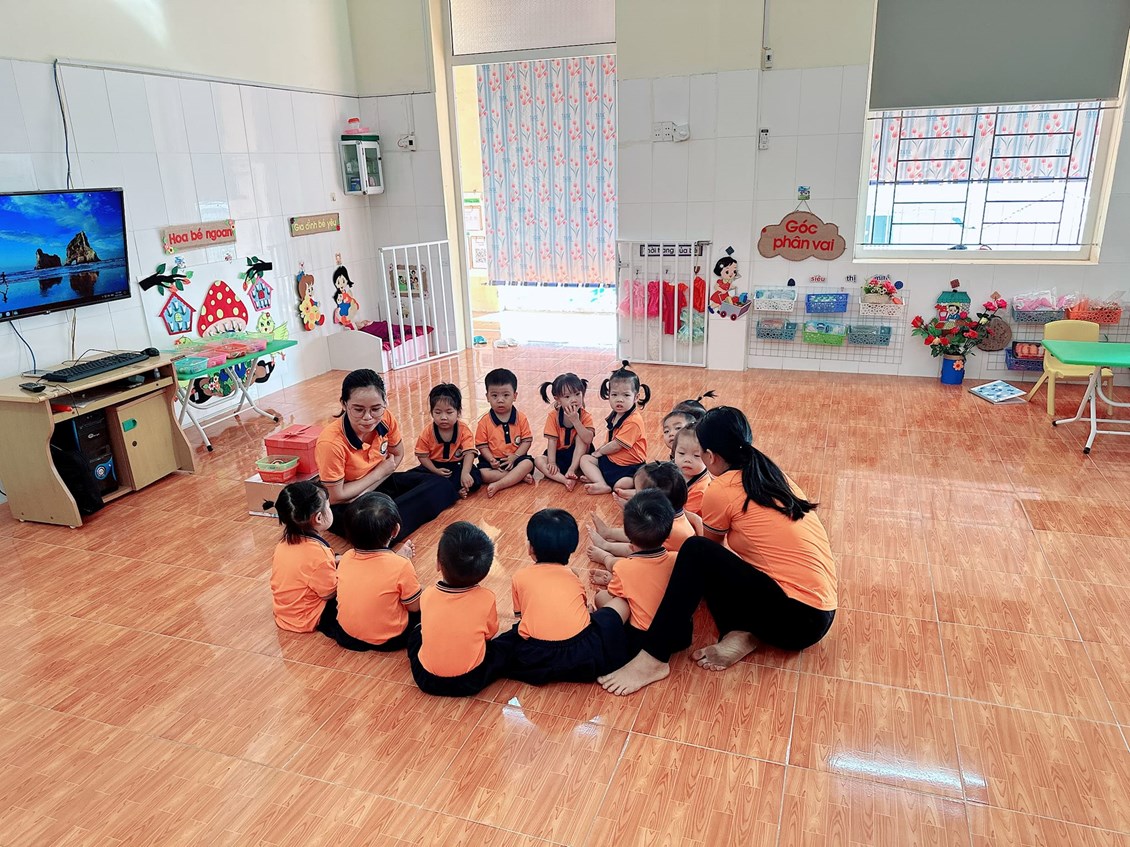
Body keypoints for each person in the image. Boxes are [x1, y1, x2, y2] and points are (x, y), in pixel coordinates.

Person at [599, 406, 838, 696]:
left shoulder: (721, 489)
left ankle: (653, 658)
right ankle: (744, 632)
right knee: (704, 555)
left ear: (710, 456)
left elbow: (704, 557)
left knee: (696, 550)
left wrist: (643, 570)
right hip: (819, 609)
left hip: (797, 619)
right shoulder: (769, 473)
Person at [315, 369, 457, 545]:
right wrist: (379, 472)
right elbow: (336, 496)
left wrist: (373, 483)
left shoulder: (385, 418)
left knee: (441, 484)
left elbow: (398, 454)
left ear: (385, 402)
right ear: (344, 404)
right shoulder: (331, 442)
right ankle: (388, 525)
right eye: (358, 410)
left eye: (376, 409)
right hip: (347, 504)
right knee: (373, 527)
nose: (368, 417)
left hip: (376, 484)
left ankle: (389, 523)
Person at [498, 509, 627, 685]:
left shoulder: (519, 577)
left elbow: (521, 616)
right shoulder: (572, 576)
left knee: (506, 642)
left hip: (536, 655)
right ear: (572, 548)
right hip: (581, 655)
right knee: (619, 605)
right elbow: (580, 609)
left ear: (530, 548)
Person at [408, 522, 512, 697]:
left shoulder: (427, 595)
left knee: (415, 636)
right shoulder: (486, 598)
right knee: (502, 648)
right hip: (471, 681)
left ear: (438, 564)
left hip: (426, 679)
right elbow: (490, 634)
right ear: (484, 572)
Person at [593, 490, 686, 659]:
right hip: (680, 636)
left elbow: (616, 595)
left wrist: (610, 582)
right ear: (668, 533)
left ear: (629, 540)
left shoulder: (623, 567)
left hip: (644, 641)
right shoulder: (678, 559)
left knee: (602, 597)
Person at [330, 493, 422, 651]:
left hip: (347, 635)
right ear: (395, 530)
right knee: (427, 604)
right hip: (390, 640)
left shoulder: (346, 557)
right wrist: (402, 560)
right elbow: (414, 607)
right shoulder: (401, 566)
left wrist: (397, 558)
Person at [588, 461, 699, 583]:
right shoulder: (674, 515)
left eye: (636, 492)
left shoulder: (668, 528)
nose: (634, 496)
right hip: (664, 559)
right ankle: (607, 533)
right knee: (639, 534)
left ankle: (606, 552)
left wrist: (608, 554)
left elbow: (638, 549)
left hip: (663, 572)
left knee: (626, 562)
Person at [267, 480, 339, 636]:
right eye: (328, 506)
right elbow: (329, 593)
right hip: (307, 617)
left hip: (286, 613)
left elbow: (307, 568)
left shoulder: (283, 544)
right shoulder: (318, 555)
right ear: (318, 518)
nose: (330, 509)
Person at [577, 361, 651, 495]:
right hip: (612, 460)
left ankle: (603, 479)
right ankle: (601, 483)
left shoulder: (634, 421)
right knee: (585, 459)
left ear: (636, 397)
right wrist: (601, 452)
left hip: (630, 467)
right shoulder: (615, 414)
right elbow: (610, 440)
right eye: (614, 395)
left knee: (620, 485)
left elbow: (616, 445)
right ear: (608, 395)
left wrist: (600, 452)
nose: (619, 400)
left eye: (626, 395)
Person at [412, 383, 481, 498]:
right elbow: (422, 456)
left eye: (449, 412)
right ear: (431, 412)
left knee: (475, 477)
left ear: (458, 412)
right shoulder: (428, 432)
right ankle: (455, 491)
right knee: (421, 479)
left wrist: (465, 473)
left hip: (458, 465)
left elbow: (469, 453)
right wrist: (435, 470)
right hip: (434, 466)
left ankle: (453, 491)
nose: (443, 417)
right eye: (438, 412)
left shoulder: (463, 430)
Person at [475, 368, 535, 497]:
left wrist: (515, 456)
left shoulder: (521, 418)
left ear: (515, 396)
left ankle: (500, 484)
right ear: (487, 397)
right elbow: (482, 446)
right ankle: (517, 477)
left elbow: (526, 441)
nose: (500, 400)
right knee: (482, 474)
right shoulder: (484, 422)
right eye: (494, 396)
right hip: (493, 462)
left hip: (516, 458)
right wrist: (491, 459)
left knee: (528, 464)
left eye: (506, 395)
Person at [532, 373, 595, 491]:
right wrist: (552, 462)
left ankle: (572, 470)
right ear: (558, 399)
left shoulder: (585, 416)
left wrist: (576, 421)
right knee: (538, 460)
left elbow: (588, 440)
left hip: (580, 456)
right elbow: (552, 442)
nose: (574, 400)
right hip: (559, 454)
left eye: (577, 394)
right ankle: (565, 480)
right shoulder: (553, 416)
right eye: (567, 397)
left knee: (581, 437)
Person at [673, 425, 710, 515]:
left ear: (709, 457)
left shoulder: (701, 489)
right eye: (682, 453)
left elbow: (683, 516)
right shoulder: (671, 469)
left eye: (696, 455)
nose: (687, 460)